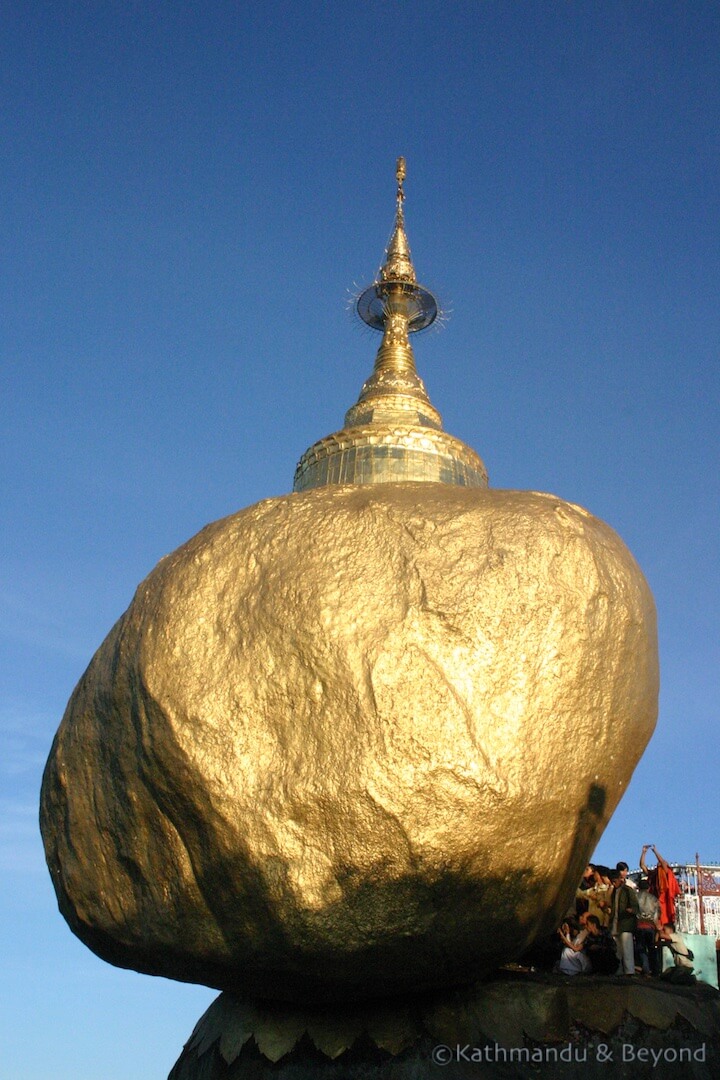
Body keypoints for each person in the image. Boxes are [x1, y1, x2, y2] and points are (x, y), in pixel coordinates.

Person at [639, 844, 681, 925]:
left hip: (664, 898)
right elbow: (642, 866)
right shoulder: (654, 874)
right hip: (655, 898)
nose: (658, 863)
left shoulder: (666, 872)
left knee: (664, 918)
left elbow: (662, 862)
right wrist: (643, 852)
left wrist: (655, 852)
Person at [610, 869, 639, 975]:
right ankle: (619, 970)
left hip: (626, 923)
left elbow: (635, 906)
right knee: (617, 949)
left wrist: (631, 910)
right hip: (616, 923)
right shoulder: (614, 892)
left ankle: (629, 972)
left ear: (619, 879)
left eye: (614, 881)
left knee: (627, 949)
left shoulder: (628, 890)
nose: (613, 884)